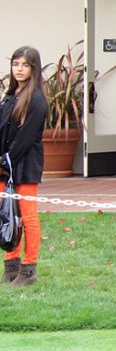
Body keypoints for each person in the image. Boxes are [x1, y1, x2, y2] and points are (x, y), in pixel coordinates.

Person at [2, 46, 48, 288]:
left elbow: (27, 137)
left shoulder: (37, 100)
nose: (19, 69)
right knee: (7, 214)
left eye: (25, 65)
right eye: (16, 64)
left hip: (25, 164)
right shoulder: (10, 96)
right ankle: (11, 267)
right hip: (5, 166)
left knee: (27, 217)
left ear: (34, 68)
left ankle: (28, 270)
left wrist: (6, 161)